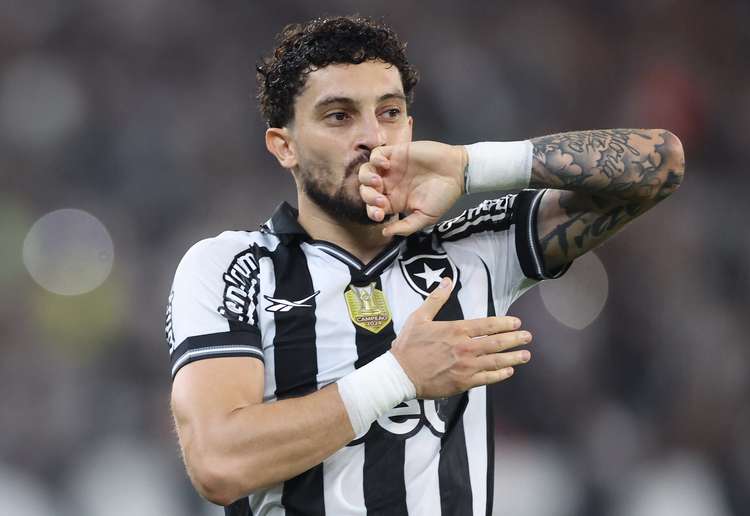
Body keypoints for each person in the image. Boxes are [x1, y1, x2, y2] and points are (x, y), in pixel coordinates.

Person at [165, 15, 685, 516]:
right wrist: (399, 375)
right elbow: (218, 464)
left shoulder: (473, 249)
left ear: (410, 127)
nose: (373, 137)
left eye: (389, 112)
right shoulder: (233, 267)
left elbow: (661, 164)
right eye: (339, 116)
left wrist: (471, 167)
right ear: (285, 146)